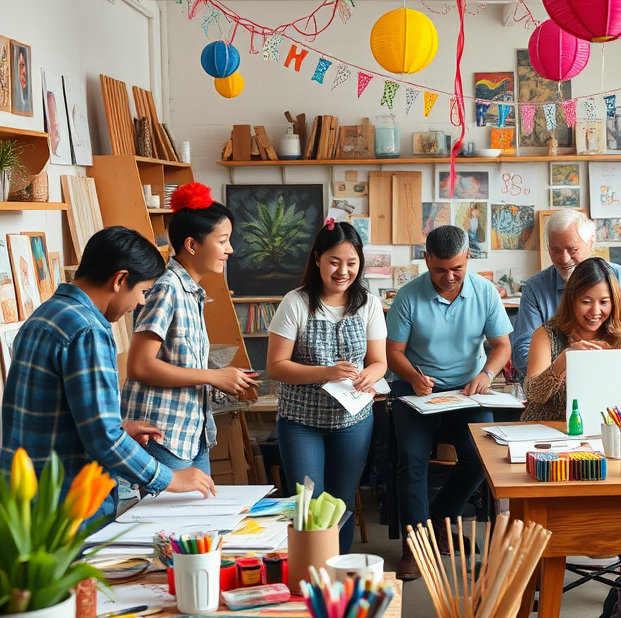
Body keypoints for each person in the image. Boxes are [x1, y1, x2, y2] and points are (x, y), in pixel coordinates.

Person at [0, 227, 216, 520]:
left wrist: (121, 425)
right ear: (120, 280)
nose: (140, 303)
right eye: (142, 292)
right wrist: (170, 478)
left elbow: (48, 413)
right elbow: (104, 439)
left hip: (26, 497)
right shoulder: (88, 330)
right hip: (68, 502)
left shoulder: (45, 315)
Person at [386, 225, 512, 580]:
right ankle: (416, 546)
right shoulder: (408, 296)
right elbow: (392, 352)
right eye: (440, 269)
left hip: (466, 389)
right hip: (416, 388)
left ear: (468, 257)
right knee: (411, 460)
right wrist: (412, 375)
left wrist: (486, 373)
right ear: (426, 260)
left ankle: (439, 516)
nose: (449, 277)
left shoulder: (486, 292)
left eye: (457, 268)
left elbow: (501, 344)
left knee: (481, 457)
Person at [266, 218, 387, 553]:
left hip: (352, 421)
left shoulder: (368, 303)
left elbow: (380, 361)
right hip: (301, 423)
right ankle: (308, 574)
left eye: (351, 263)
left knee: (342, 502)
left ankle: (336, 570)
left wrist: (370, 375)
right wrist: (326, 372)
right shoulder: (295, 302)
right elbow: (275, 366)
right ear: (317, 258)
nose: (342, 271)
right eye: (334, 262)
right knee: (308, 505)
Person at [122, 182, 257, 473]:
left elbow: (176, 360)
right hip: (161, 436)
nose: (230, 250)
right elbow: (139, 366)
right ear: (192, 245)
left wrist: (224, 378)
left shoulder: (190, 291)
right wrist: (214, 376)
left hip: (189, 436)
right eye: (222, 241)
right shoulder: (166, 288)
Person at [512, 209, 621, 375]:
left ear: (591, 243)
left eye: (572, 250)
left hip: (614, 378)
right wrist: (565, 369)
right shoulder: (535, 288)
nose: (564, 260)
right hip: (554, 386)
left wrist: (617, 370)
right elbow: (522, 352)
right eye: (556, 250)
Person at [523, 257, 621, 421]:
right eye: (586, 302)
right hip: (547, 430)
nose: (595, 311)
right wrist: (564, 360)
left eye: (604, 302)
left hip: (600, 431)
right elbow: (534, 394)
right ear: (571, 301)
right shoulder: (546, 335)